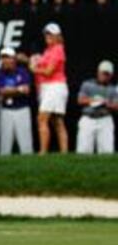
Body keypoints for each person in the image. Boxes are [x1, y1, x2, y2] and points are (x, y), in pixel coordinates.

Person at [29, 22, 69, 154]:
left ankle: (43, 152)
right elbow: (42, 66)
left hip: (55, 87)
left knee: (42, 118)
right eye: (46, 33)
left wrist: (33, 69)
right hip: (48, 88)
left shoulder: (58, 49)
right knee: (57, 121)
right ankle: (64, 154)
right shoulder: (48, 50)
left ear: (58, 36)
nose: (48, 36)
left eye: (51, 34)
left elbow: (48, 71)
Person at [0, 48, 33, 155]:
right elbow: (1, 91)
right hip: (6, 111)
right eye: (3, 58)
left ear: (14, 59)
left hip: (22, 109)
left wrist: (9, 91)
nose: (6, 61)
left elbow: (26, 90)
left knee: (26, 145)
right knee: (5, 145)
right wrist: (18, 89)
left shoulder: (23, 72)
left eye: (8, 58)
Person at [76, 61, 117, 155]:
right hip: (88, 118)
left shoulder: (113, 89)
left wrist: (106, 103)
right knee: (83, 151)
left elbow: (116, 105)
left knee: (107, 152)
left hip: (105, 119)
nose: (104, 76)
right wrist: (93, 100)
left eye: (107, 74)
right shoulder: (87, 84)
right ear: (98, 72)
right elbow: (80, 100)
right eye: (103, 73)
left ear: (111, 75)